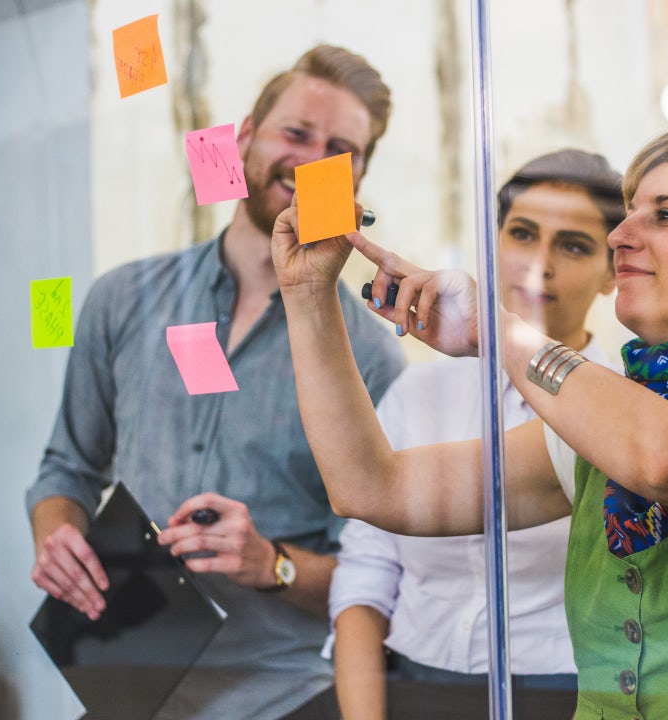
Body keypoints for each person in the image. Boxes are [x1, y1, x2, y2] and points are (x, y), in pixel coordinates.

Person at [270, 122, 668, 718]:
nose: (620, 235)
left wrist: (496, 328)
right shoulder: (594, 429)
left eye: (667, 214)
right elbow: (372, 488)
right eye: (629, 212)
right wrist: (308, 297)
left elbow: (667, 461)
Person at [26, 45, 406, 720]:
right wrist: (55, 534)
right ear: (243, 138)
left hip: (283, 696)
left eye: (339, 149)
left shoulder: (373, 358)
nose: (312, 159)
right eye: (296, 133)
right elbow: (67, 468)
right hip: (122, 682)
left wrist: (273, 563)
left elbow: (381, 578)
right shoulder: (123, 298)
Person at [328, 149, 624, 719]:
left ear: (612, 272)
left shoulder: (624, 405)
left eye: (574, 245)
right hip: (410, 686)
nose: (540, 264)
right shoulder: (419, 394)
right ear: (493, 242)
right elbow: (367, 573)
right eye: (522, 234)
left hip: (568, 693)